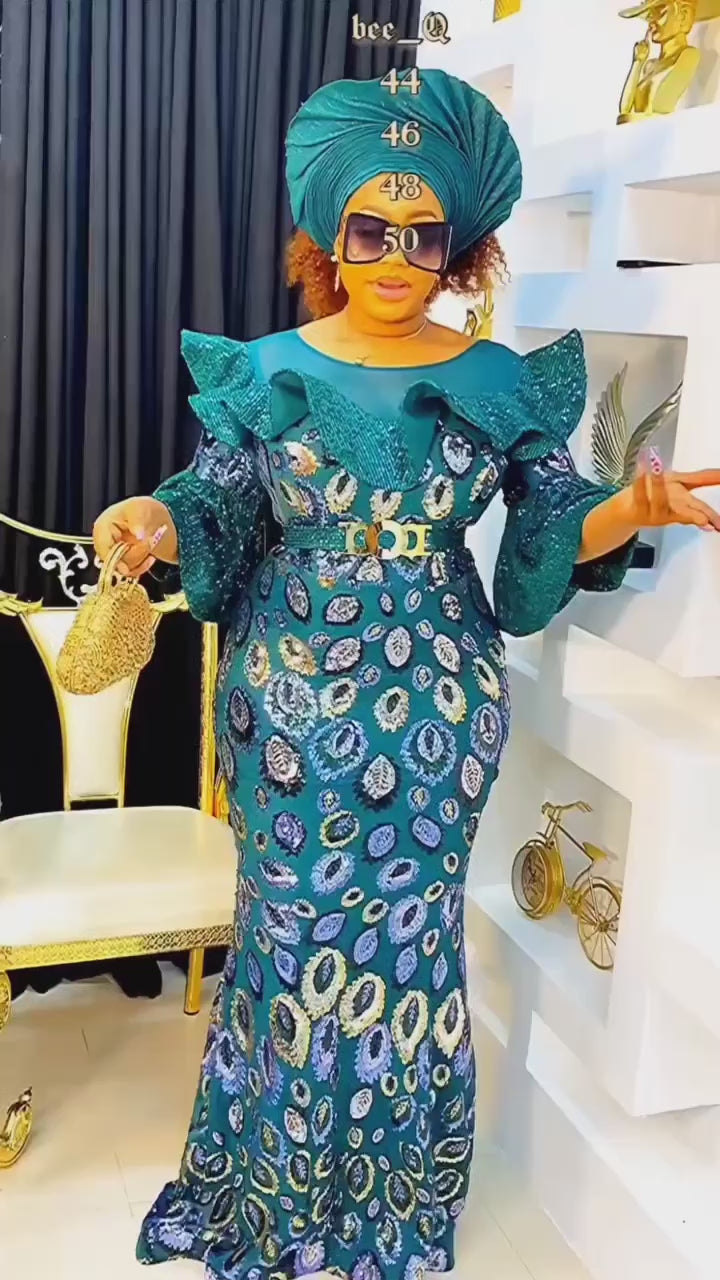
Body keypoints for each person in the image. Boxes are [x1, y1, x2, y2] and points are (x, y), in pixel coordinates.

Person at [93, 70, 720, 1280]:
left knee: (410, 943)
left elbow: (547, 531)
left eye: (421, 234)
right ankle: (271, 1201)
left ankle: (388, 1207)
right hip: (288, 701)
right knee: (289, 935)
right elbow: (211, 503)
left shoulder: (497, 381)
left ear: (458, 247)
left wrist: (629, 508)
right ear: (330, 238)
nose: (394, 257)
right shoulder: (265, 369)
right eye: (370, 230)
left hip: (439, 700)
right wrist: (150, 521)